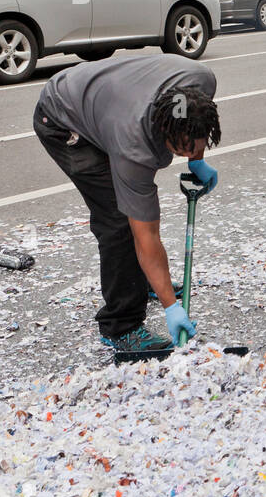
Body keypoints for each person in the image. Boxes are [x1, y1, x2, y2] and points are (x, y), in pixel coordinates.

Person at [34, 55, 222, 353]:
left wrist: (196, 160)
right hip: (63, 118)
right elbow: (145, 235)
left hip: (102, 97)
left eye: (197, 144)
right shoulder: (133, 147)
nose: (191, 151)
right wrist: (171, 307)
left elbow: (192, 123)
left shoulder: (200, 82)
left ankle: (146, 281)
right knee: (119, 223)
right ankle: (121, 326)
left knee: (131, 218)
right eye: (183, 148)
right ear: (162, 133)